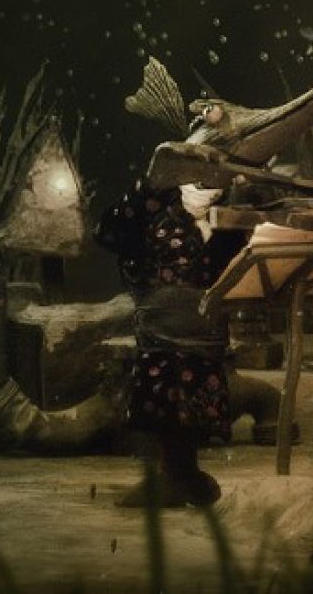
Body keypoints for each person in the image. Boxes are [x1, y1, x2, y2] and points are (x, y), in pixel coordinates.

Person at [95, 141, 242, 507]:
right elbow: (107, 232)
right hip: (162, 332)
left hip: (205, 333)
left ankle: (183, 474)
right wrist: (152, 186)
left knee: (196, 402)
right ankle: (174, 475)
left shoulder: (231, 212)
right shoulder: (155, 207)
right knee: (166, 400)